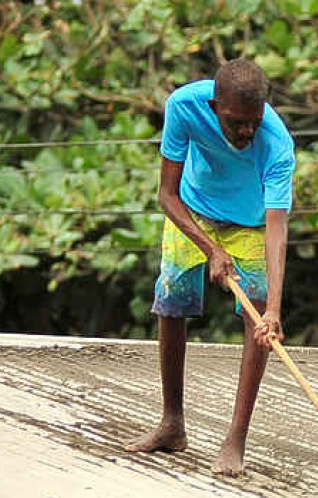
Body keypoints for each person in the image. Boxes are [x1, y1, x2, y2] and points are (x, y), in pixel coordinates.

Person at [126, 58, 295, 476]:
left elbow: (277, 230)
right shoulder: (183, 106)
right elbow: (166, 196)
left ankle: (235, 439)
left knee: (256, 320)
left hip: (250, 224)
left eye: (253, 122)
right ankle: (172, 424)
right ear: (215, 106)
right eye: (237, 122)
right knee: (171, 300)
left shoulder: (277, 144)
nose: (246, 133)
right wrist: (209, 249)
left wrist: (273, 308)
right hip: (192, 211)